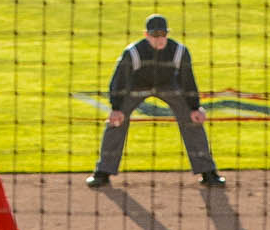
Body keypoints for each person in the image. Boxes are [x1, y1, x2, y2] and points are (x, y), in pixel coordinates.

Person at [88, 17, 224, 189]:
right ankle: (102, 172)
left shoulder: (179, 51)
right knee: (116, 121)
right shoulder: (133, 52)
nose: (159, 39)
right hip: (137, 87)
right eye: (155, 35)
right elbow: (119, 80)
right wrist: (116, 108)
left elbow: (187, 81)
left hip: (167, 85)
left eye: (163, 34)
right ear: (146, 35)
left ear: (167, 34)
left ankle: (208, 172)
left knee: (192, 119)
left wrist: (195, 107)